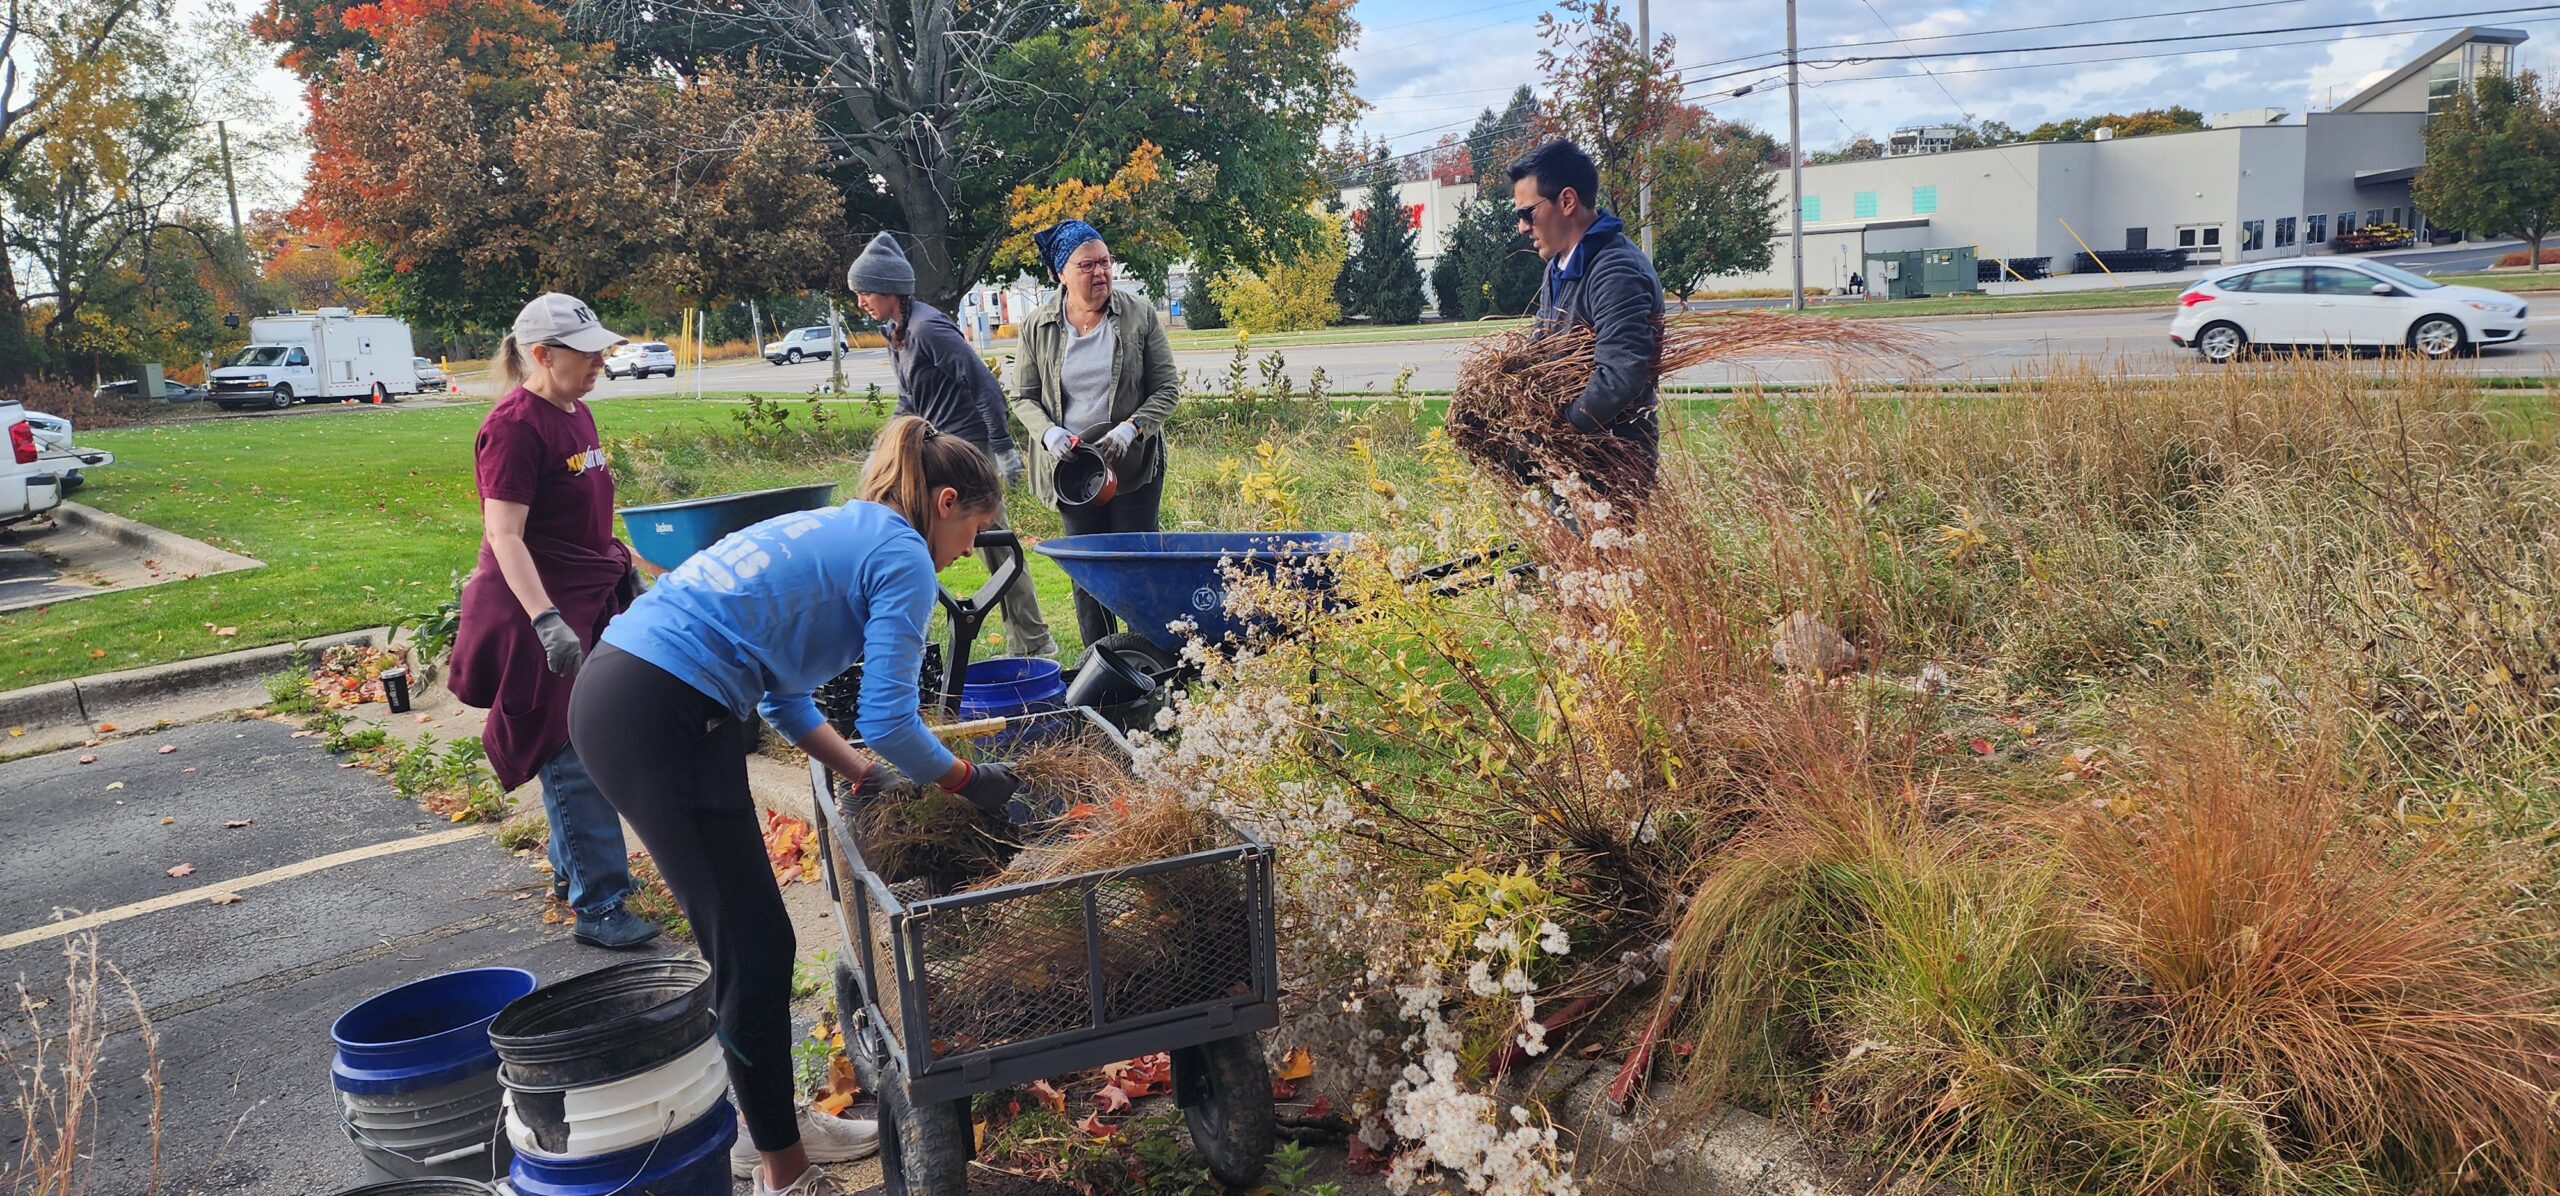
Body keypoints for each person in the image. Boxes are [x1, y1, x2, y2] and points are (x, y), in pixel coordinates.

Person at [568, 417, 1028, 1196]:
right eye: (974, 530)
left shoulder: (849, 528)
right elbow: (890, 719)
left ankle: (768, 1126)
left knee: (752, 942)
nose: (964, 552)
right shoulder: (904, 555)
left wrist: (856, 769)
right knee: (751, 950)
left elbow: (782, 685)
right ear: (947, 502)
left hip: (635, 693)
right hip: (659, 713)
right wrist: (965, 779)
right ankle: (783, 1171)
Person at [448, 292, 661, 950]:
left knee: (585, 740)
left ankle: (576, 878)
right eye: (587, 352)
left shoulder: (578, 413)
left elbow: (582, 515)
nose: (601, 360)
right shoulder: (514, 427)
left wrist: (620, 566)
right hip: (536, 612)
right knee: (572, 751)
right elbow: (505, 535)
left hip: (585, 599)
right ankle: (600, 906)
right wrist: (545, 620)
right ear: (541, 355)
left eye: (602, 349)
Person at [847, 231, 1058, 659]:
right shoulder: (898, 331)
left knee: (997, 546)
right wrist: (883, 447)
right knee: (951, 543)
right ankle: (1011, 641)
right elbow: (910, 399)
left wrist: (1002, 448)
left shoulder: (928, 329)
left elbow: (983, 384)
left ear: (890, 289)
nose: (860, 302)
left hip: (970, 450)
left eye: (864, 292)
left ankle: (1037, 645)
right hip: (937, 449)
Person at [1010, 219, 1181, 646]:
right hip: (1074, 471)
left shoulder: (1138, 315)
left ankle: (1148, 663)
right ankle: (1102, 670)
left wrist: (1133, 428)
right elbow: (1022, 397)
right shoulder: (1037, 326)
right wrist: (1048, 435)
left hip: (1134, 467)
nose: (1101, 273)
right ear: (1060, 274)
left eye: (1105, 262)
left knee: (1134, 570)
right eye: (1087, 265)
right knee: (1088, 576)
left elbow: (1167, 389)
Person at [1508, 138, 1666, 500]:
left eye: (1527, 213)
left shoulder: (1616, 270)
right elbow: (1541, 351)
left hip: (1609, 466)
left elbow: (1620, 376)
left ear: (1566, 201)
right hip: (1570, 461)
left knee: (1599, 558)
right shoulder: (1559, 268)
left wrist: (1555, 430)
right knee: (1555, 555)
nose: (1521, 227)